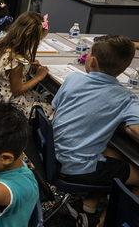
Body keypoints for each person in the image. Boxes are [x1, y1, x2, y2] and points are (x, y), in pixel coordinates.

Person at [52, 35, 139, 227]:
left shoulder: (72, 78)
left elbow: (57, 107)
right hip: (77, 167)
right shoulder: (126, 97)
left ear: (91, 60)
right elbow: (135, 129)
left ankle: (88, 206)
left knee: (112, 155)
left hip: (54, 156)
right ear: (124, 69)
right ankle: (98, 222)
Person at [0, 11, 55, 117]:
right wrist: (38, 77)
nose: (38, 43)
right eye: (38, 40)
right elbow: (17, 90)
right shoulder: (16, 61)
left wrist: (29, 63)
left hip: (1, 94)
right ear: (28, 39)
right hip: (12, 103)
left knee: (47, 99)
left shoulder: (4, 46)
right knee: (52, 111)